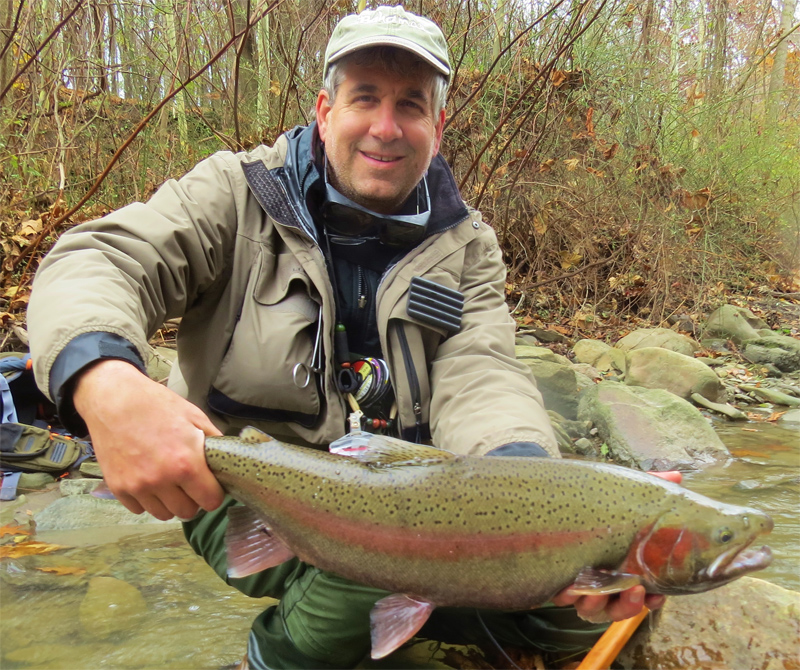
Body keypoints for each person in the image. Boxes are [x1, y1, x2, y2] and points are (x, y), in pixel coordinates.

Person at [28, 6, 665, 668]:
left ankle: (419, 625)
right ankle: (276, 654)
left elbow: (484, 372)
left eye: (411, 106)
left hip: (413, 505)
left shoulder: (467, 244)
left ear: (438, 128)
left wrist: (540, 504)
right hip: (240, 486)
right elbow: (100, 260)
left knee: (573, 615)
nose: (386, 128)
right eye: (366, 98)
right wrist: (105, 383)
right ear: (325, 110)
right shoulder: (236, 192)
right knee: (360, 581)